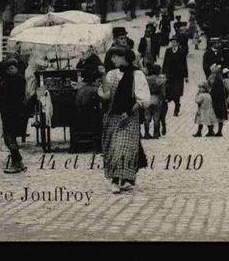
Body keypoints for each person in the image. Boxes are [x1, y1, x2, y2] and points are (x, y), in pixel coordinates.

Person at [97, 47, 151, 194]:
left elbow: (143, 99)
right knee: (113, 149)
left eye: (114, 57)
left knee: (124, 148)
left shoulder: (137, 75)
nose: (112, 60)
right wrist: (102, 77)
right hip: (113, 118)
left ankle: (123, 179)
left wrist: (128, 112)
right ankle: (115, 179)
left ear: (123, 57)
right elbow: (107, 95)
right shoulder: (111, 74)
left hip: (129, 119)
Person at [0, 57, 28, 173]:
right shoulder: (6, 78)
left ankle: (17, 163)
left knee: (10, 138)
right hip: (7, 112)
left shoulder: (18, 79)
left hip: (14, 113)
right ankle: (18, 161)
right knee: (8, 138)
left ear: (17, 68)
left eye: (12, 67)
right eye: (8, 68)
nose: (10, 70)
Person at [71, 64, 103, 152]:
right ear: (95, 80)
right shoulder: (95, 89)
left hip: (79, 116)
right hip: (90, 118)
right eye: (99, 81)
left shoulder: (80, 89)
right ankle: (98, 146)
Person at [161, 37, 187, 116]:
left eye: (175, 42)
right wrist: (163, 73)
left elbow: (184, 63)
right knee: (168, 92)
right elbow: (165, 62)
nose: (173, 43)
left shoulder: (181, 51)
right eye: (172, 42)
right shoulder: (168, 51)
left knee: (177, 93)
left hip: (178, 76)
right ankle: (167, 109)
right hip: (169, 75)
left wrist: (186, 76)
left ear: (178, 43)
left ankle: (176, 108)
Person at [143, 63, 166, 139]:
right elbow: (163, 92)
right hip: (156, 98)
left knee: (147, 117)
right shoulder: (160, 80)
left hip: (147, 98)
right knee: (156, 118)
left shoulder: (147, 79)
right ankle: (156, 133)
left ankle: (146, 133)